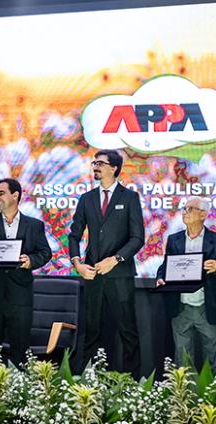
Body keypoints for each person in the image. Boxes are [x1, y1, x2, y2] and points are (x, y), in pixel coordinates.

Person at [68, 149, 144, 377]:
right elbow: (74, 235)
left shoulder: (129, 197)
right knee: (92, 332)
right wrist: (77, 264)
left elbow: (137, 238)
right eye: (94, 163)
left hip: (120, 275)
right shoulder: (87, 198)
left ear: (114, 168)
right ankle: (88, 386)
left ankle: (131, 386)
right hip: (92, 275)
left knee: (127, 332)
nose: (95, 167)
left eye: (101, 163)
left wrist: (116, 259)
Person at [0, 178, 52, 366]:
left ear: (15, 195)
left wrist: (31, 261)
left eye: (1, 193)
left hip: (20, 296)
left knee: (20, 350)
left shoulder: (34, 225)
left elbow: (45, 253)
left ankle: (18, 390)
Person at [156, 197, 216, 371]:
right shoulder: (174, 239)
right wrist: (161, 277)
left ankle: (214, 398)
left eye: (190, 209)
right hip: (180, 307)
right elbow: (166, 265)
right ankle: (183, 397)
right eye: (184, 208)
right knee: (182, 362)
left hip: (208, 307)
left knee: (213, 360)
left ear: (203, 214)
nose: (185, 212)